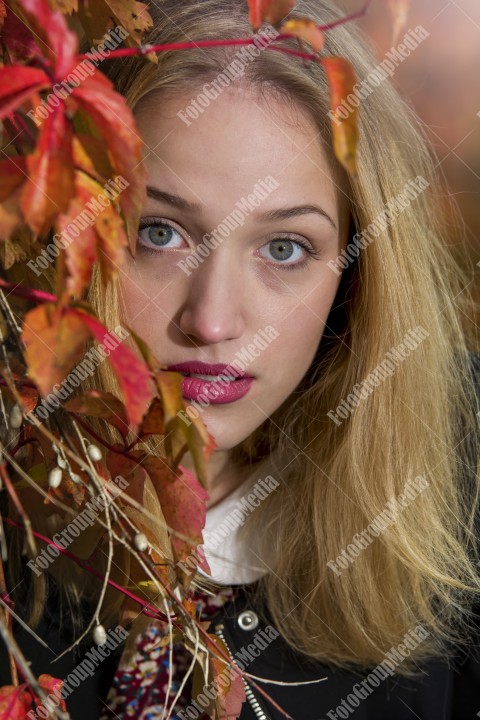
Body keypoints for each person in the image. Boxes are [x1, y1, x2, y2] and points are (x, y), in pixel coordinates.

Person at [1, 0, 479, 718]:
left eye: (284, 249)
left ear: (358, 275)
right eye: (156, 233)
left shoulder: (458, 477)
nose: (214, 321)